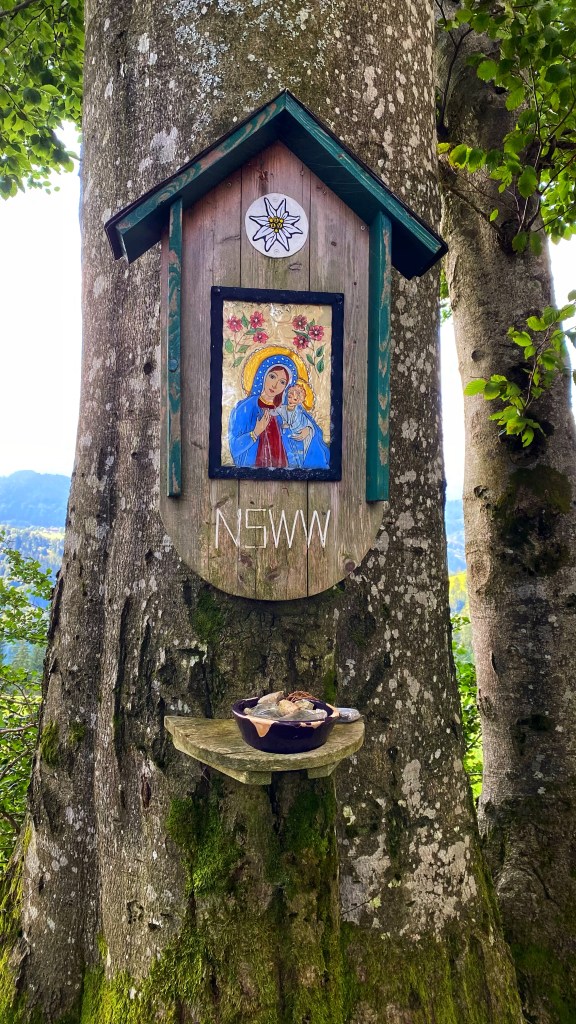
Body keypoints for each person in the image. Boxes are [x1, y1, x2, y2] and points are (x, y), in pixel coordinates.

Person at [228, 352, 329, 470]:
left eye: (282, 382)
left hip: (285, 466)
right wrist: (255, 433)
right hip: (255, 470)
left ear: (286, 386)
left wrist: (308, 430)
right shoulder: (245, 408)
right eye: (272, 376)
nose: (275, 385)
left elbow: (311, 427)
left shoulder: (290, 406)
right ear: (263, 375)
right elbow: (234, 447)